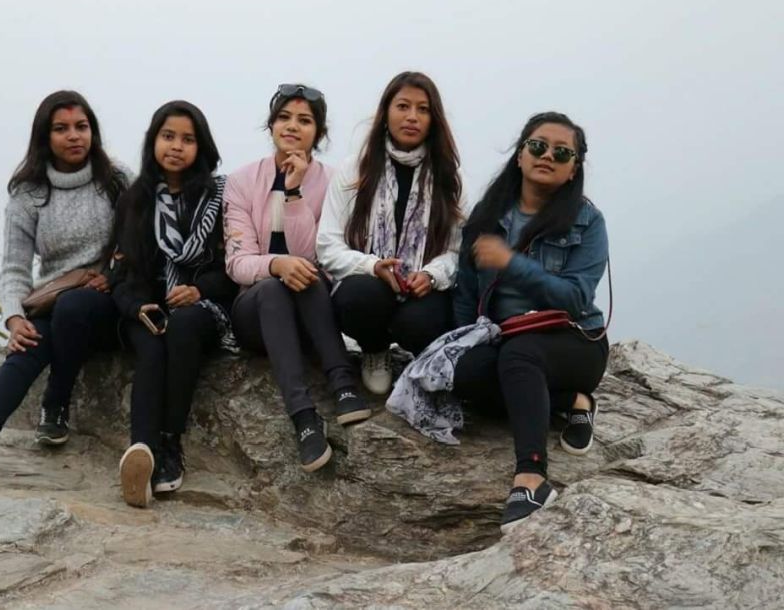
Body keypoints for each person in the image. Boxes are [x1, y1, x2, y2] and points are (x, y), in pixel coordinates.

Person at [0, 90, 129, 478]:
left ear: (93, 132)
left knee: (74, 307)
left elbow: (143, 241)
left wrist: (113, 277)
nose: (73, 136)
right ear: (45, 136)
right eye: (61, 129)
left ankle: (55, 405)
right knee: (28, 343)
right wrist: (14, 320)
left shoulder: (117, 180)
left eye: (81, 126)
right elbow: (14, 268)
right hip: (54, 301)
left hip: (109, 301)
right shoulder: (28, 194)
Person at [452, 111, 609, 531]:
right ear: (520, 154)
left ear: (574, 168)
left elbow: (576, 298)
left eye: (562, 152)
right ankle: (571, 403)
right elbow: (466, 290)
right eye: (538, 146)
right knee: (465, 376)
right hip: (506, 339)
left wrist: (512, 264)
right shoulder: (488, 216)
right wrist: (457, 345)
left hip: (575, 343)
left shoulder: (588, 222)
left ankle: (532, 478)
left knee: (520, 355)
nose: (547, 156)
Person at [224, 84, 371, 473]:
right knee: (275, 286)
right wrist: (276, 265)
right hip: (257, 313)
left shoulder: (334, 181)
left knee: (307, 274)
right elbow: (238, 263)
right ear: (271, 125)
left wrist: (293, 193)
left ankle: (343, 385)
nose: (292, 126)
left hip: (312, 309)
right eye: (284, 118)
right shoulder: (241, 181)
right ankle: (304, 416)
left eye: (304, 121)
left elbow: (318, 256)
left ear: (318, 133)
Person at [111, 100, 237, 508]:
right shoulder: (135, 200)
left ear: (202, 147)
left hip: (206, 307)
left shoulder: (220, 196)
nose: (177, 147)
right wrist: (138, 308)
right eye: (168, 136)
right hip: (147, 308)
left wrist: (199, 290)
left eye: (187, 139)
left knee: (182, 327)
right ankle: (141, 454)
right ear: (153, 141)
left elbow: (233, 266)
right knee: (151, 346)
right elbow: (122, 272)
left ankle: (168, 445)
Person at [317, 71, 465, 394]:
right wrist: (372, 266)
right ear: (385, 112)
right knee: (359, 296)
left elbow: (456, 250)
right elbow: (327, 244)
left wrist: (431, 275)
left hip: (421, 289)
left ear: (434, 119)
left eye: (423, 109)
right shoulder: (355, 168)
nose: (412, 117)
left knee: (421, 322)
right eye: (403, 106)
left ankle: (419, 362)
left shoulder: (448, 177)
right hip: (370, 284)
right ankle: (375, 349)